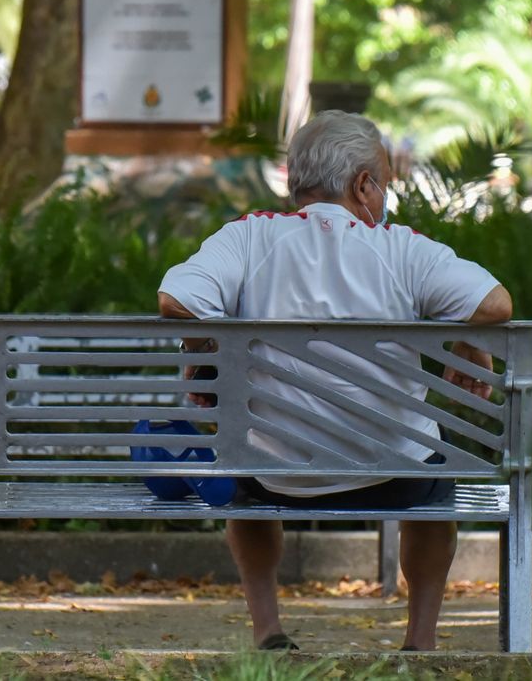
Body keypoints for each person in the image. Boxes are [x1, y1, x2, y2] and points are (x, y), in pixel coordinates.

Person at [157, 111, 512, 652]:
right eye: (385, 182)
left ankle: (269, 631)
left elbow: (176, 300)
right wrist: (469, 338)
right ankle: (419, 643)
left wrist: (203, 351)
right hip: (394, 476)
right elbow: (496, 305)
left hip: (273, 476)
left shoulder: (248, 238)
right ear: (363, 185)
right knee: (437, 468)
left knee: (241, 454)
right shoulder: (401, 248)